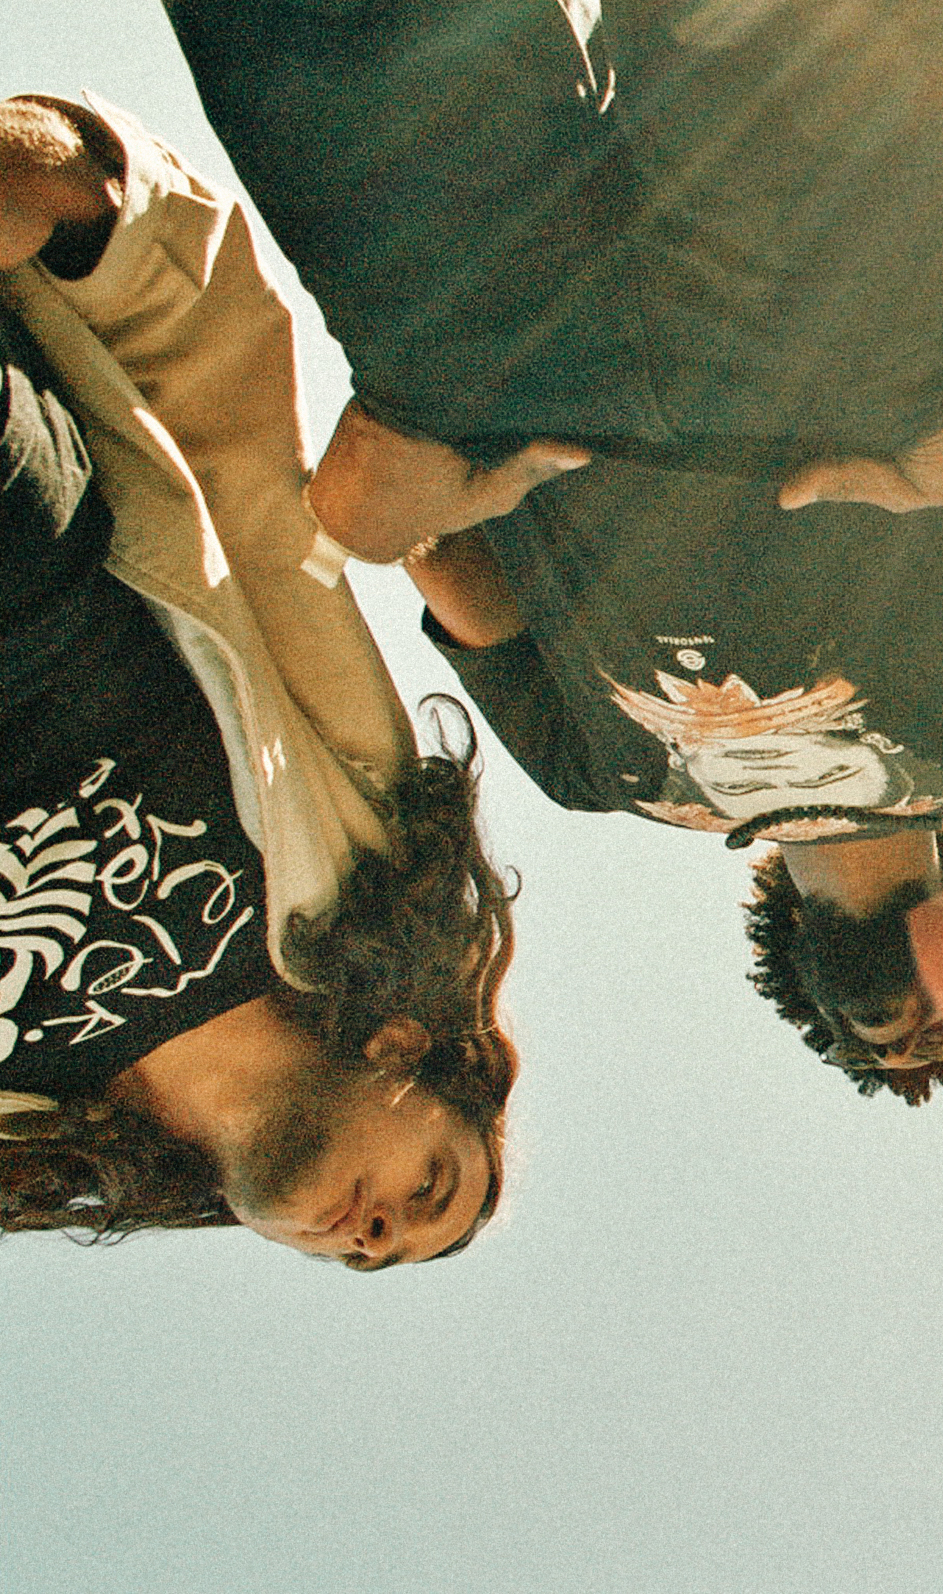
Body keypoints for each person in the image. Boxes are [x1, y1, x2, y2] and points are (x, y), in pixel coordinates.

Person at [162, 0, 943, 1097]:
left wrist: (375, 519)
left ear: (801, 992)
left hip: (503, 348)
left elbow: (444, 563)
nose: (909, 1044)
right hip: (843, 334)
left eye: (867, 1054)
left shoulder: (590, 777)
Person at [0, 95, 518, 1262]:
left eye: (366, 1255)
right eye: (429, 1183)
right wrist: (95, 212)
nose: (371, 1227)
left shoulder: (26, 1129)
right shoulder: (342, 854)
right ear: (406, 1053)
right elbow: (249, 484)